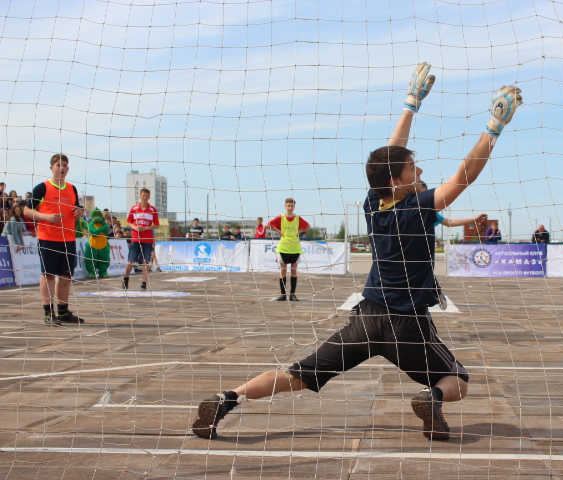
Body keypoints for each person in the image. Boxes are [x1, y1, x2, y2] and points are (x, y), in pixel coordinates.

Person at [191, 63, 522, 441]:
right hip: (407, 324)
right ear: (396, 181)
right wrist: (493, 128)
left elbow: (389, 157)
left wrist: (410, 105)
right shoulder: (417, 207)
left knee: (299, 375)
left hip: (366, 319)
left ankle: (227, 398)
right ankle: (431, 400)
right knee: (458, 379)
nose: (418, 170)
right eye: (412, 167)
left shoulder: (373, 203)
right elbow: (464, 175)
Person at [24, 153, 85, 326]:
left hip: (69, 238)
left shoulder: (72, 188)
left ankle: (63, 311)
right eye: (59, 165)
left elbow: (77, 210)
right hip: (48, 238)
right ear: (52, 168)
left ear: (68, 168)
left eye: (65, 165)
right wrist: (46, 217)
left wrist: (79, 212)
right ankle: (48, 313)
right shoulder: (42, 187)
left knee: (66, 276)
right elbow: (27, 211)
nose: (62, 168)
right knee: (48, 275)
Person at [418, 180, 487, 309]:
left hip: (423, 254)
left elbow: (450, 222)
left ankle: (436, 291)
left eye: (423, 195)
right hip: (406, 252)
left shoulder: (430, 213)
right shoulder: (402, 209)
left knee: (425, 273)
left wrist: (474, 220)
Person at [267, 198, 309, 301]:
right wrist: (279, 231)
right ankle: (283, 295)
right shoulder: (281, 217)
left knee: (294, 271)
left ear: (294, 207)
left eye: (292, 206)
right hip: (283, 248)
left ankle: (292, 295)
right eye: (288, 206)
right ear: (285, 207)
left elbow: (308, 226)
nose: (290, 208)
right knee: (283, 271)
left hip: (295, 248)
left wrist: (299, 232)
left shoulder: (298, 218)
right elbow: (267, 225)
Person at [122, 188, 159, 291]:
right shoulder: (134, 208)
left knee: (146, 262)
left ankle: (144, 282)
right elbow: (129, 222)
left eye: (147, 196)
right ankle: (126, 278)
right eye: (143, 195)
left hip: (147, 239)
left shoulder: (153, 210)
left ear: (149, 197)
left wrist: (146, 228)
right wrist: (134, 227)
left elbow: (157, 225)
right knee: (131, 260)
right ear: (140, 196)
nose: (145, 197)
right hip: (135, 238)